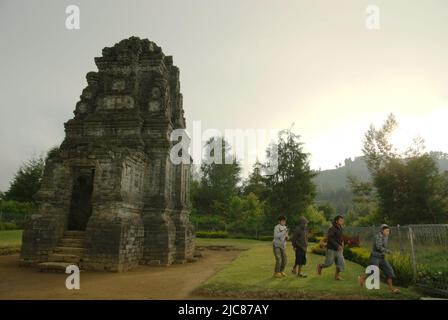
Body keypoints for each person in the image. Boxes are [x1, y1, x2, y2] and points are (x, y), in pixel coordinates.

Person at [358, 224, 400, 294]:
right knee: (373, 272)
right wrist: (389, 252)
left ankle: (392, 289)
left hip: (382, 257)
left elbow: (383, 248)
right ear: (382, 230)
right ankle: (362, 279)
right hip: (375, 257)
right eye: (386, 231)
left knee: (389, 271)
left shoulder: (386, 237)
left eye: (389, 231)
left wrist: (386, 252)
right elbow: (379, 247)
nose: (388, 232)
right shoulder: (378, 237)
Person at [317, 215, 345, 280]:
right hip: (331, 249)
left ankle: (337, 276)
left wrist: (342, 242)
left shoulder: (340, 227)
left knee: (341, 263)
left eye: (342, 220)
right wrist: (337, 245)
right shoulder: (332, 228)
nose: (342, 221)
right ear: (336, 221)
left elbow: (340, 237)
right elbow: (330, 238)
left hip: (339, 250)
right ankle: (320, 266)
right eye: (340, 220)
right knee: (328, 263)